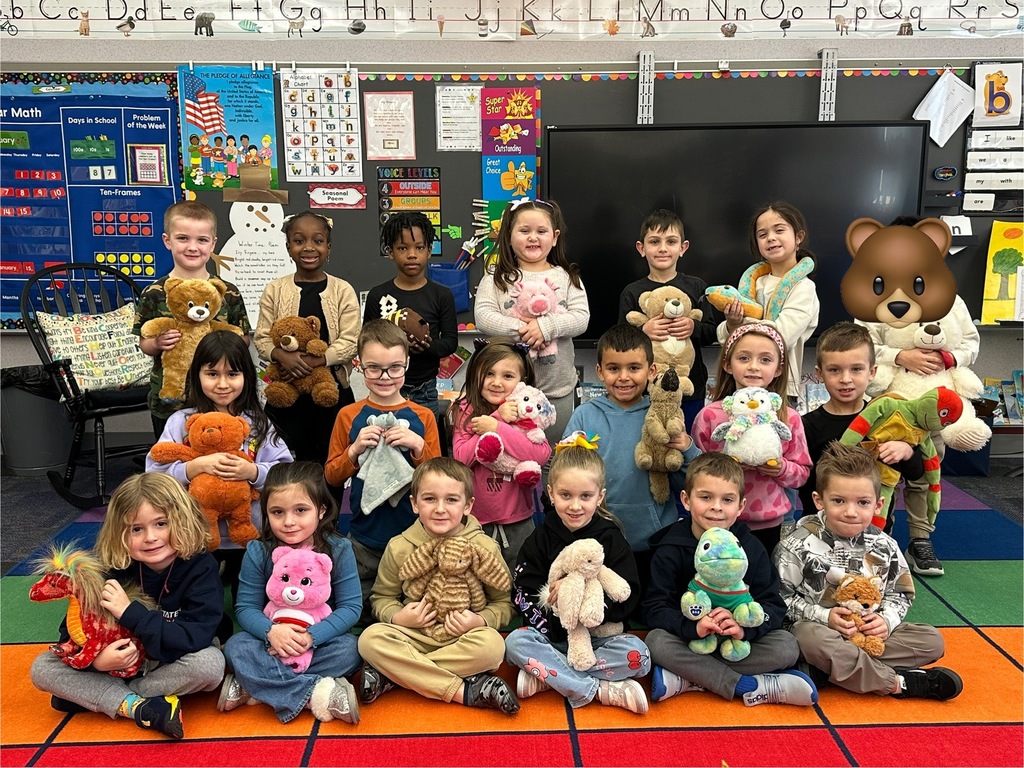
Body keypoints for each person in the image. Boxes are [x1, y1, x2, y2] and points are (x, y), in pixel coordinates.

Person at [30, 473, 225, 739]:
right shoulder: (110, 570)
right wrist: (97, 662)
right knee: (42, 668)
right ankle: (137, 706)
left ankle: (102, 697)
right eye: (136, 529)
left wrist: (132, 614)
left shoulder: (201, 567)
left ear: (183, 521)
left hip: (169, 658)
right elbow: (71, 632)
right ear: (119, 533)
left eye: (161, 523)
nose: (150, 537)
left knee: (211, 664)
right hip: (113, 662)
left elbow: (196, 637)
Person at [774, 443, 964, 701]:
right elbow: (781, 599)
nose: (851, 512)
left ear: (878, 504)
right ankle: (899, 683)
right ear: (819, 500)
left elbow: (900, 594)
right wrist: (825, 616)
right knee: (807, 638)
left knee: (931, 640)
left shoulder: (886, 545)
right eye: (838, 501)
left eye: (862, 502)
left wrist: (885, 621)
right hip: (818, 631)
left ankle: (830, 669)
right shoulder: (796, 542)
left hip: (865, 634)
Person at [147, 330, 292, 642]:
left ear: (247, 377)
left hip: (248, 533)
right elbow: (154, 473)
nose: (223, 384)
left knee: (252, 601)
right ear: (197, 373)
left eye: (233, 374)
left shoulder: (257, 423)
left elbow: (286, 472)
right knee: (198, 597)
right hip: (197, 534)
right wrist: (192, 468)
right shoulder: (181, 421)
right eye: (212, 373)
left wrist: (253, 471)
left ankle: (256, 635)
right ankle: (209, 633)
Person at [643, 452, 819, 707]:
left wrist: (743, 628)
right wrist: (693, 626)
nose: (716, 507)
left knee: (787, 646)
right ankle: (747, 686)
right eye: (706, 497)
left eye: (727, 499)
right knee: (656, 642)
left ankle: (690, 679)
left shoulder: (751, 547)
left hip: (737, 643)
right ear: (686, 500)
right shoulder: (670, 548)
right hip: (691, 640)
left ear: (740, 506)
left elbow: (773, 605)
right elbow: (654, 607)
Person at [858, 215, 981, 577]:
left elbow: (970, 343)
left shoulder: (949, 297)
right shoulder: (874, 292)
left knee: (926, 473)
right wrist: (900, 356)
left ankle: (921, 538)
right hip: (892, 406)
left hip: (936, 404)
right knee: (882, 468)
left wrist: (950, 357)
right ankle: (881, 530)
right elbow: (861, 344)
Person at [357, 458, 519, 714]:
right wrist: (398, 617)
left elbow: (504, 603)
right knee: (369, 639)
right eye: (429, 499)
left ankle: (395, 675)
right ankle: (466, 691)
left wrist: (480, 621)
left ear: (468, 506)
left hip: (463, 639)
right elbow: (381, 598)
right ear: (414, 503)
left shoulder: (485, 548)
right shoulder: (399, 547)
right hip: (414, 636)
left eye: (452, 500)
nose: (440, 509)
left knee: (493, 648)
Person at [505, 443, 652, 714]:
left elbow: (629, 593)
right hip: (551, 639)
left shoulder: (612, 538)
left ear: (600, 496)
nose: (575, 506)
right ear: (550, 494)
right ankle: (596, 689)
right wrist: (558, 603)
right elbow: (522, 592)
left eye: (585, 496)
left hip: (599, 640)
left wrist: (588, 608)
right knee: (515, 643)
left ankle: (551, 678)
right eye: (565, 495)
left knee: (639, 656)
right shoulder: (539, 538)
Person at [219, 462, 363, 724]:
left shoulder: (339, 548)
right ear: (266, 513)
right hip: (271, 641)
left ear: (321, 510)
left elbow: (351, 608)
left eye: (301, 510)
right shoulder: (259, 551)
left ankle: (254, 684)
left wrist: (311, 637)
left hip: (316, 642)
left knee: (352, 649)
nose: (289, 522)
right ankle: (313, 694)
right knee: (237, 647)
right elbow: (245, 608)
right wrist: (272, 632)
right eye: (277, 512)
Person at [564, 323, 700, 589]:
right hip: (598, 540)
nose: (624, 377)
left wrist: (686, 447)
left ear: (652, 371)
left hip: (655, 540)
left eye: (634, 368)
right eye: (614, 368)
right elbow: (566, 473)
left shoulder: (666, 416)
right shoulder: (584, 415)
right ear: (600, 372)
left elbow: (692, 483)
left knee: (650, 615)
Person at [325, 319, 442, 610]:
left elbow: (440, 479)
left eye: (395, 367)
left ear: (407, 364)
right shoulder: (348, 415)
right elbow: (332, 476)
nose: (385, 376)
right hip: (364, 536)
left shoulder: (424, 416)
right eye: (374, 368)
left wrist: (417, 447)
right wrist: (353, 451)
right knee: (361, 608)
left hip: (416, 534)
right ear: (358, 365)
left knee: (414, 605)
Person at [474, 198, 590, 443]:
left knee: (551, 456)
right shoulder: (496, 277)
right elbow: (483, 316)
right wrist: (524, 330)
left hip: (557, 391)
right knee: (509, 455)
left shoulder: (568, 277)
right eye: (524, 231)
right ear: (508, 235)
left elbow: (581, 318)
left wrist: (546, 327)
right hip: (505, 394)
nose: (533, 238)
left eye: (541, 231)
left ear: (555, 237)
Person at [133, 200, 251, 439]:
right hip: (170, 398)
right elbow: (143, 342)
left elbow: (244, 338)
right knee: (172, 456)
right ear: (167, 241)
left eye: (202, 240)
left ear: (213, 244)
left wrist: (218, 341)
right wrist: (157, 344)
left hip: (220, 395)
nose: (192, 247)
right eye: (183, 238)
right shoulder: (155, 292)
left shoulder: (227, 292)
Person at [693, 323, 811, 558]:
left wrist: (780, 468)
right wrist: (723, 467)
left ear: (778, 368)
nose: (754, 367)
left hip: (768, 523)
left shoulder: (788, 418)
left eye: (765, 360)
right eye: (744, 358)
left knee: (762, 585)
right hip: (716, 521)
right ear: (728, 364)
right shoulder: (710, 416)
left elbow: (802, 474)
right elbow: (693, 469)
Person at [255, 210, 360, 470]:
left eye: (318, 241)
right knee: (284, 463)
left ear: (329, 248)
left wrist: (317, 360)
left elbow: (351, 340)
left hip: (331, 391)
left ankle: (330, 512)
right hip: (286, 392)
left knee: (331, 461)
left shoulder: (342, 290)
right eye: (299, 241)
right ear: (288, 247)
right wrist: (281, 356)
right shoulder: (275, 289)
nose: (309, 248)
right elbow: (262, 337)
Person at [798, 322, 923, 528]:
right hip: (821, 526)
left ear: (872, 371)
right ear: (819, 374)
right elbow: (803, 482)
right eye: (834, 370)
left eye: (856, 369)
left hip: (875, 525)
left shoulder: (887, 420)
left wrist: (907, 451)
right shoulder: (808, 425)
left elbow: (916, 473)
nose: (845, 379)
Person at [451, 340, 552, 573]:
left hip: (519, 518)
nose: (496, 382)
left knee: (522, 578)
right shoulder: (465, 409)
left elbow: (540, 455)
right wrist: (497, 418)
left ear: (522, 382)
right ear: (475, 373)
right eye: (489, 373)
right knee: (476, 584)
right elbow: (461, 459)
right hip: (474, 522)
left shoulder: (528, 408)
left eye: (507, 376)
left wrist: (497, 428)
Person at [363, 211, 458, 450]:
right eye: (403, 248)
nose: (412, 254)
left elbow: (450, 342)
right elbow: (366, 341)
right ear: (390, 252)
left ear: (429, 249)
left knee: (427, 449)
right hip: (386, 387)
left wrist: (427, 347)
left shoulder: (441, 295)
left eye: (419, 247)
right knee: (386, 448)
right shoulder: (378, 295)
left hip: (426, 388)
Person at [618, 209, 719, 432]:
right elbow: (619, 342)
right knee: (650, 443)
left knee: (686, 444)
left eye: (671, 241)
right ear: (641, 248)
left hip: (690, 388)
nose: (663, 248)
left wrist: (693, 327)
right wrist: (643, 331)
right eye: (654, 241)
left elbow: (712, 332)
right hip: (644, 390)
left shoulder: (697, 287)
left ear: (683, 248)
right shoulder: (632, 292)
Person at [716, 201, 819, 405]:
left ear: (798, 237)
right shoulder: (753, 284)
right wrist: (732, 324)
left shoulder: (804, 288)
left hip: (780, 385)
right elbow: (724, 337)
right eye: (762, 235)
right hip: (740, 382)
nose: (771, 238)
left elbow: (782, 336)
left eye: (779, 230)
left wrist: (741, 329)